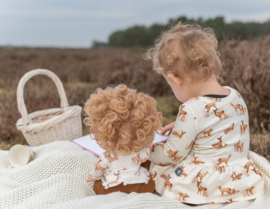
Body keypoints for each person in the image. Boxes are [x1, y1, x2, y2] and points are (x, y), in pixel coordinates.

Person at [143, 21, 264, 205]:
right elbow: (222, 125)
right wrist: (186, 127)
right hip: (239, 181)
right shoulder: (235, 95)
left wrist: (147, 150)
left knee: (158, 170)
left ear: (175, 80)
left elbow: (171, 154)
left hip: (205, 185)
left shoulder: (191, 109)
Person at [83, 84, 162, 194]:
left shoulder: (108, 156)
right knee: (151, 183)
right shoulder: (141, 152)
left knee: (97, 186)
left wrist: (93, 177)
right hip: (138, 185)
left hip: (111, 187)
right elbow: (146, 155)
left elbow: (97, 171)